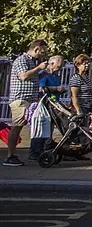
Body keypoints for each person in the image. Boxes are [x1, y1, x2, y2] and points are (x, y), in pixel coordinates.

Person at [4, 39, 49, 167]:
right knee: (16, 127)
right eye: (42, 52)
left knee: (35, 125)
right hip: (20, 100)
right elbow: (23, 76)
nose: (42, 55)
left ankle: (34, 151)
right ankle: (9, 156)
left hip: (30, 100)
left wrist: (43, 72)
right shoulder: (22, 60)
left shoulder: (32, 62)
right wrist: (39, 68)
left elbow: (32, 77)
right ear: (36, 49)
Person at [68, 55, 92, 121]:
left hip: (87, 108)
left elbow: (89, 91)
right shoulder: (76, 78)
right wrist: (78, 110)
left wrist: (91, 103)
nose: (87, 65)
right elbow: (74, 96)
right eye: (84, 64)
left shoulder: (87, 77)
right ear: (78, 65)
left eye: (88, 64)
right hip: (81, 108)